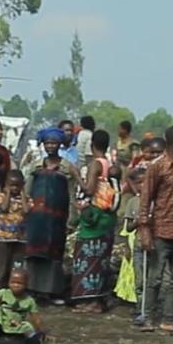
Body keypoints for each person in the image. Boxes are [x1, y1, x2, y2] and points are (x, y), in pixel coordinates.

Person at [137, 126, 173, 336]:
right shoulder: (158, 167)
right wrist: (144, 229)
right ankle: (147, 316)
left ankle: (169, 318)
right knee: (154, 279)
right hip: (161, 230)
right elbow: (145, 199)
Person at [24, 128, 79, 303]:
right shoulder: (36, 166)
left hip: (57, 218)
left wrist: (72, 216)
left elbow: (71, 194)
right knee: (33, 253)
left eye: (54, 143)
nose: (50, 146)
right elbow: (26, 191)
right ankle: (31, 288)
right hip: (36, 217)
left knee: (54, 254)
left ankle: (50, 291)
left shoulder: (67, 167)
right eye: (47, 143)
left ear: (60, 145)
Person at [71, 130, 118, 312]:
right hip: (106, 218)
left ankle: (90, 301)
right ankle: (97, 299)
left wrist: (76, 175)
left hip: (95, 219)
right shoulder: (109, 164)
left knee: (87, 258)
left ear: (92, 146)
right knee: (100, 260)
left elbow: (89, 190)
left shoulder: (95, 165)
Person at [118, 137, 165, 312]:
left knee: (154, 277)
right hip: (138, 243)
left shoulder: (158, 201)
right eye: (139, 184)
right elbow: (128, 228)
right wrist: (139, 221)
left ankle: (151, 307)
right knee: (140, 278)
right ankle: (140, 307)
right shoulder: (133, 203)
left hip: (156, 242)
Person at [0, 269, 46, 344]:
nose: (16, 285)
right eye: (13, 282)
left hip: (18, 327)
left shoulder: (29, 300)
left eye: (19, 283)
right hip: (1, 325)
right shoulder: (3, 293)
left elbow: (36, 318)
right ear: (8, 283)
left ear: (26, 285)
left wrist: (42, 331)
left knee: (31, 332)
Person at [0, 170, 29, 285]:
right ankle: (0, 288)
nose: (15, 188)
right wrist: (7, 193)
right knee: (2, 265)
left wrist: (23, 194)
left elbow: (26, 210)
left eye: (17, 185)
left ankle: (13, 288)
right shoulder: (1, 196)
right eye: (11, 185)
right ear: (6, 185)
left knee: (16, 265)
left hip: (19, 238)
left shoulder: (26, 199)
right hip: (4, 237)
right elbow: (3, 208)